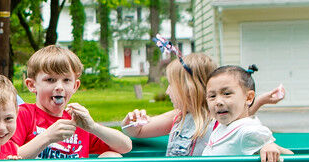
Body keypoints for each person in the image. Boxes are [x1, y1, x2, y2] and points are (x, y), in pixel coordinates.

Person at [122, 53, 284, 156]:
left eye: (171, 85)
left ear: (189, 89)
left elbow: (242, 125)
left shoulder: (216, 118)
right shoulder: (179, 116)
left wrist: (265, 145)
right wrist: (131, 121)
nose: (167, 91)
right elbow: (138, 131)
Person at [11, 45, 134, 159]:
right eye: (50, 80)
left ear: (75, 85)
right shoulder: (23, 114)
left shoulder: (77, 121)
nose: (59, 87)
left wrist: (93, 127)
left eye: (66, 80)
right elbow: (9, 156)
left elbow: (126, 146)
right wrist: (47, 137)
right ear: (32, 85)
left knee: (112, 157)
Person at [199, 65, 290, 162]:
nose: (218, 102)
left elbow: (291, 159)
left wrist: (270, 147)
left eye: (227, 93)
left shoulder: (249, 132)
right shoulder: (225, 125)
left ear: (249, 97)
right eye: (212, 96)